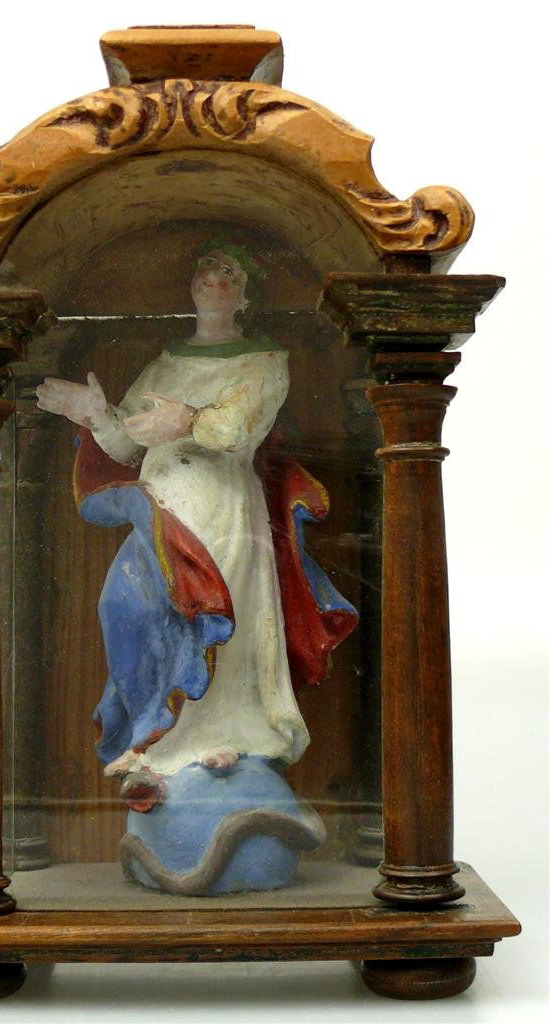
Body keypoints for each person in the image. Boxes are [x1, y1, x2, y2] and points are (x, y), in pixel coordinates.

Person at [36, 241, 356, 787]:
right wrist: (93, 415)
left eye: (228, 272)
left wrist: (185, 421)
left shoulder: (264, 361)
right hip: (159, 506)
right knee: (125, 603)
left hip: (218, 505)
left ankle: (221, 732)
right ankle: (152, 734)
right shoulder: (166, 362)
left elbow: (238, 430)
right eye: (206, 267)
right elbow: (126, 444)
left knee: (211, 615)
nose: (212, 279)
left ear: (246, 297)